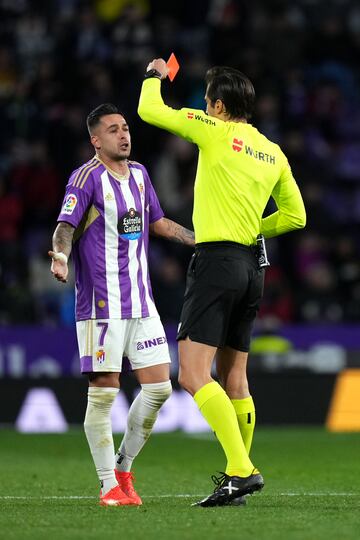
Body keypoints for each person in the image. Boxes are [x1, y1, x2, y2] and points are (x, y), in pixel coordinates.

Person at [138, 61, 306, 507]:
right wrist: (252, 226)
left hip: (216, 262)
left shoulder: (212, 129)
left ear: (216, 105)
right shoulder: (274, 152)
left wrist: (155, 73)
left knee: (193, 374)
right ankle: (238, 477)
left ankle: (241, 469)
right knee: (236, 379)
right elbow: (296, 216)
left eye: (207, 103)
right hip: (253, 268)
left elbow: (149, 110)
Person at [49, 103, 194, 507]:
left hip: (141, 303)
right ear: (96, 140)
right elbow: (65, 228)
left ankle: (123, 467)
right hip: (101, 304)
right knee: (104, 391)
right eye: (113, 130)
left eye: (125, 127)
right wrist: (60, 257)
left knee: (159, 388)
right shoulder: (85, 178)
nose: (123, 134)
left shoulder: (141, 175)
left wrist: (199, 240)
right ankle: (106, 485)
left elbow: (158, 222)